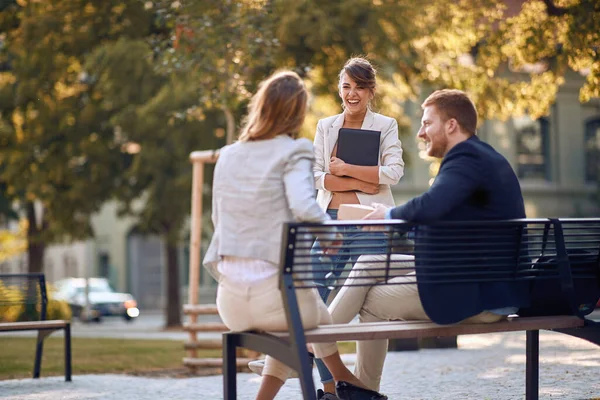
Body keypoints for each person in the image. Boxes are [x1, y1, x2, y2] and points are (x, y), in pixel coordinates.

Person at [323, 89, 531, 392]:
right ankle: (310, 351)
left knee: (371, 303)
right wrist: (394, 219)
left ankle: (340, 375)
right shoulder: (482, 157)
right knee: (369, 263)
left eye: (427, 123)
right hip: (479, 279)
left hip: (479, 294)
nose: (421, 133)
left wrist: (389, 215)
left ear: (451, 125)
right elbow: (442, 217)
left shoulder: (466, 159)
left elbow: (431, 205)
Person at [203, 71, 387, 400]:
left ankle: (337, 386)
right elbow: (305, 206)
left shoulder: (227, 154)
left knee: (306, 308)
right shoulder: (294, 150)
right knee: (310, 313)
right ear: (297, 112)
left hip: (229, 301)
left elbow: (219, 218)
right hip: (276, 301)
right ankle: (348, 384)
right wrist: (329, 236)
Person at [308, 56, 405, 396]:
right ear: (339, 89)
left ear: (370, 91)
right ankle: (332, 386)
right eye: (346, 86)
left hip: (368, 221)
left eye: (359, 87)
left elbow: (393, 172)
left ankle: (368, 386)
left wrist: (346, 169)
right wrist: (363, 183)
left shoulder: (385, 125)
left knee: (373, 302)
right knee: (312, 291)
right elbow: (316, 175)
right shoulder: (325, 126)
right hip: (330, 221)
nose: (352, 94)